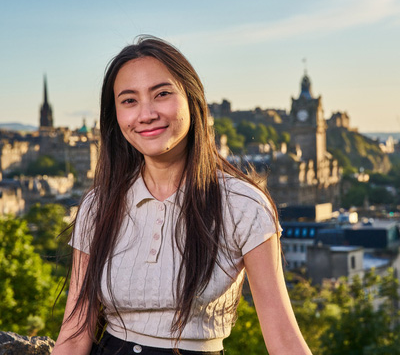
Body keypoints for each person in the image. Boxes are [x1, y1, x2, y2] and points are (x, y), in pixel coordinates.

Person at [52, 36, 312, 355]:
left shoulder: (244, 204)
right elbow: (75, 333)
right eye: (129, 100)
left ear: (192, 100)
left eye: (161, 94)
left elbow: (283, 339)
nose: (146, 114)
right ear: (115, 115)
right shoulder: (99, 205)